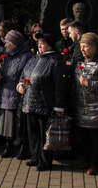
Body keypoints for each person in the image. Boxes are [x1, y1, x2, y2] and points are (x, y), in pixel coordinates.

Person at [17, 33, 68, 171]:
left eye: (43, 43)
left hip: (45, 103)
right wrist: (20, 85)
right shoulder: (34, 58)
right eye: (38, 43)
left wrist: (59, 106)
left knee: (43, 134)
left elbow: (59, 85)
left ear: (50, 45)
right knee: (32, 133)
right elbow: (23, 75)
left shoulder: (55, 61)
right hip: (29, 102)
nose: (39, 45)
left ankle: (45, 160)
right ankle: (35, 156)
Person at [71, 32, 98, 175]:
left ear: (95, 47)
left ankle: (95, 163)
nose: (83, 50)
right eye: (81, 46)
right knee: (84, 138)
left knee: (96, 140)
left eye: (86, 46)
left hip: (97, 110)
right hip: (82, 108)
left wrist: (89, 83)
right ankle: (85, 160)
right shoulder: (80, 63)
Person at [0, 30, 32, 158]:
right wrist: (0, 75)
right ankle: (8, 146)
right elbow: (7, 72)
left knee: (18, 124)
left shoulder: (26, 56)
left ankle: (21, 148)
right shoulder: (7, 56)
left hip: (18, 94)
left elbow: (26, 74)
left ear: (15, 43)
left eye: (8, 42)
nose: (5, 45)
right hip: (6, 92)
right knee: (7, 124)